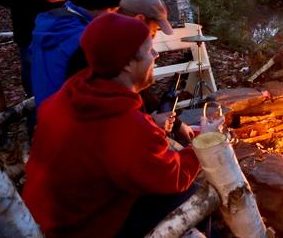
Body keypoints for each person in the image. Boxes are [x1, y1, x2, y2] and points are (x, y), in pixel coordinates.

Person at [23, 13, 202, 237]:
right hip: (79, 229)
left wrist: (150, 126)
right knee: (196, 194)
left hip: (39, 218)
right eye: (149, 50)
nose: (156, 55)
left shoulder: (72, 92)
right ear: (127, 63)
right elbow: (173, 176)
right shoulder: (125, 126)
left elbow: (111, 146)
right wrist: (203, 146)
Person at [30, 0, 123, 108]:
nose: (115, 16)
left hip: (45, 111)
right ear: (104, 6)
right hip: (69, 115)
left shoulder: (54, 22)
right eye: (114, 10)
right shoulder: (83, 38)